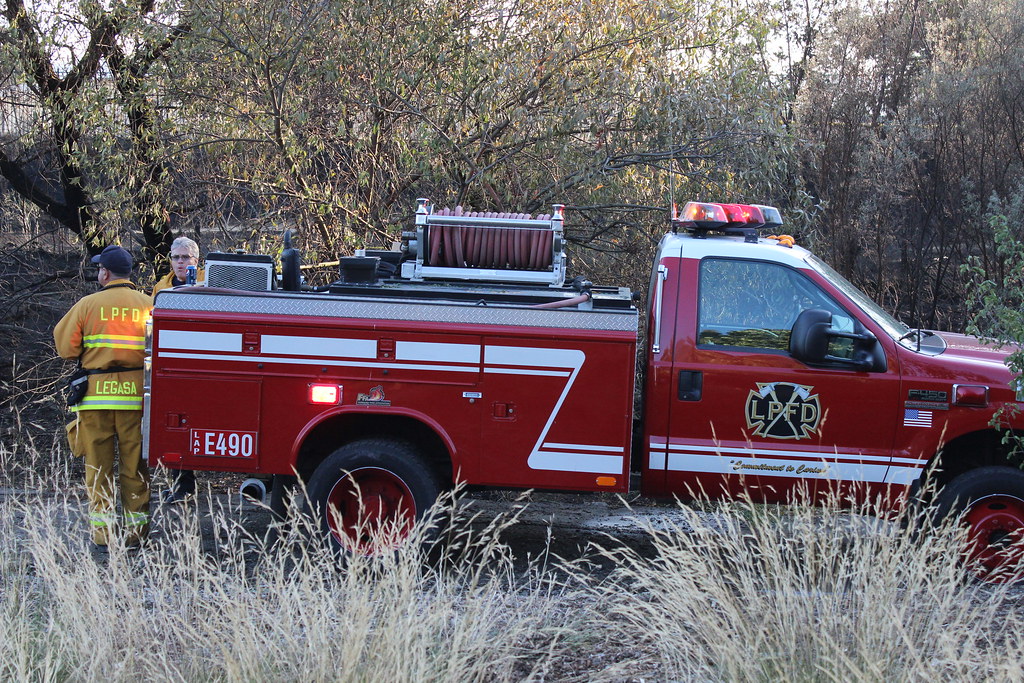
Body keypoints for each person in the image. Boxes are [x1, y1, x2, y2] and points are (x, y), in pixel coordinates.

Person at [54, 245, 153, 548]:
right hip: (135, 398)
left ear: (105, 273)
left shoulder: (87, 304)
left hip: (95, 399)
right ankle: (136, 535)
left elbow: (65, 348)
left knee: (97, 469)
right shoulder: (149, 305)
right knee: (134, 467)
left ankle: (103, 535)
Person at [151, 236, 202, 503]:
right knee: (174, 427)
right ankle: (183, 486)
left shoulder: (209, 283)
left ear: (196, 260)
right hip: (171, 366)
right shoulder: (162, 287)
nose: (180, 263)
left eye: (185, 258)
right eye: (176, 258)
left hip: (203, 363)